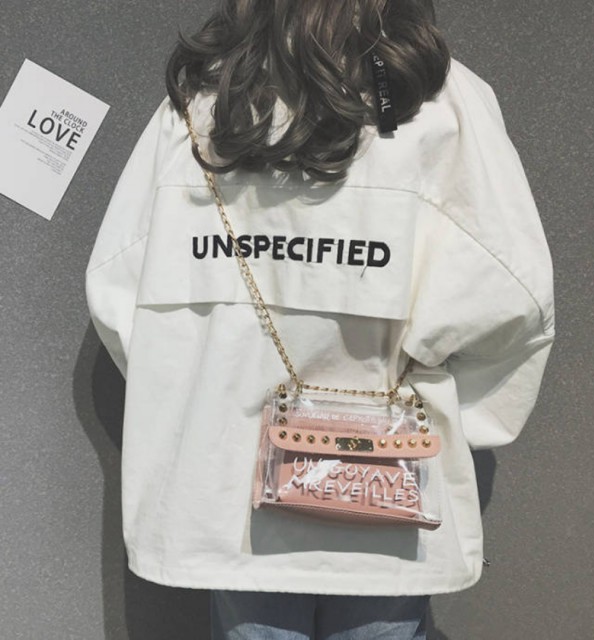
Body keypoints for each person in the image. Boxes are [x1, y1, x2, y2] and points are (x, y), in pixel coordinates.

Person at [85, 1, 556, 638]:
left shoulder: (206, 102)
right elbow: (511, 297)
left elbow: (121, 294)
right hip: (389, 479)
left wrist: (202, 405)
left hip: (230, 497)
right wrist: (439, 409)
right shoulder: (438, 102)